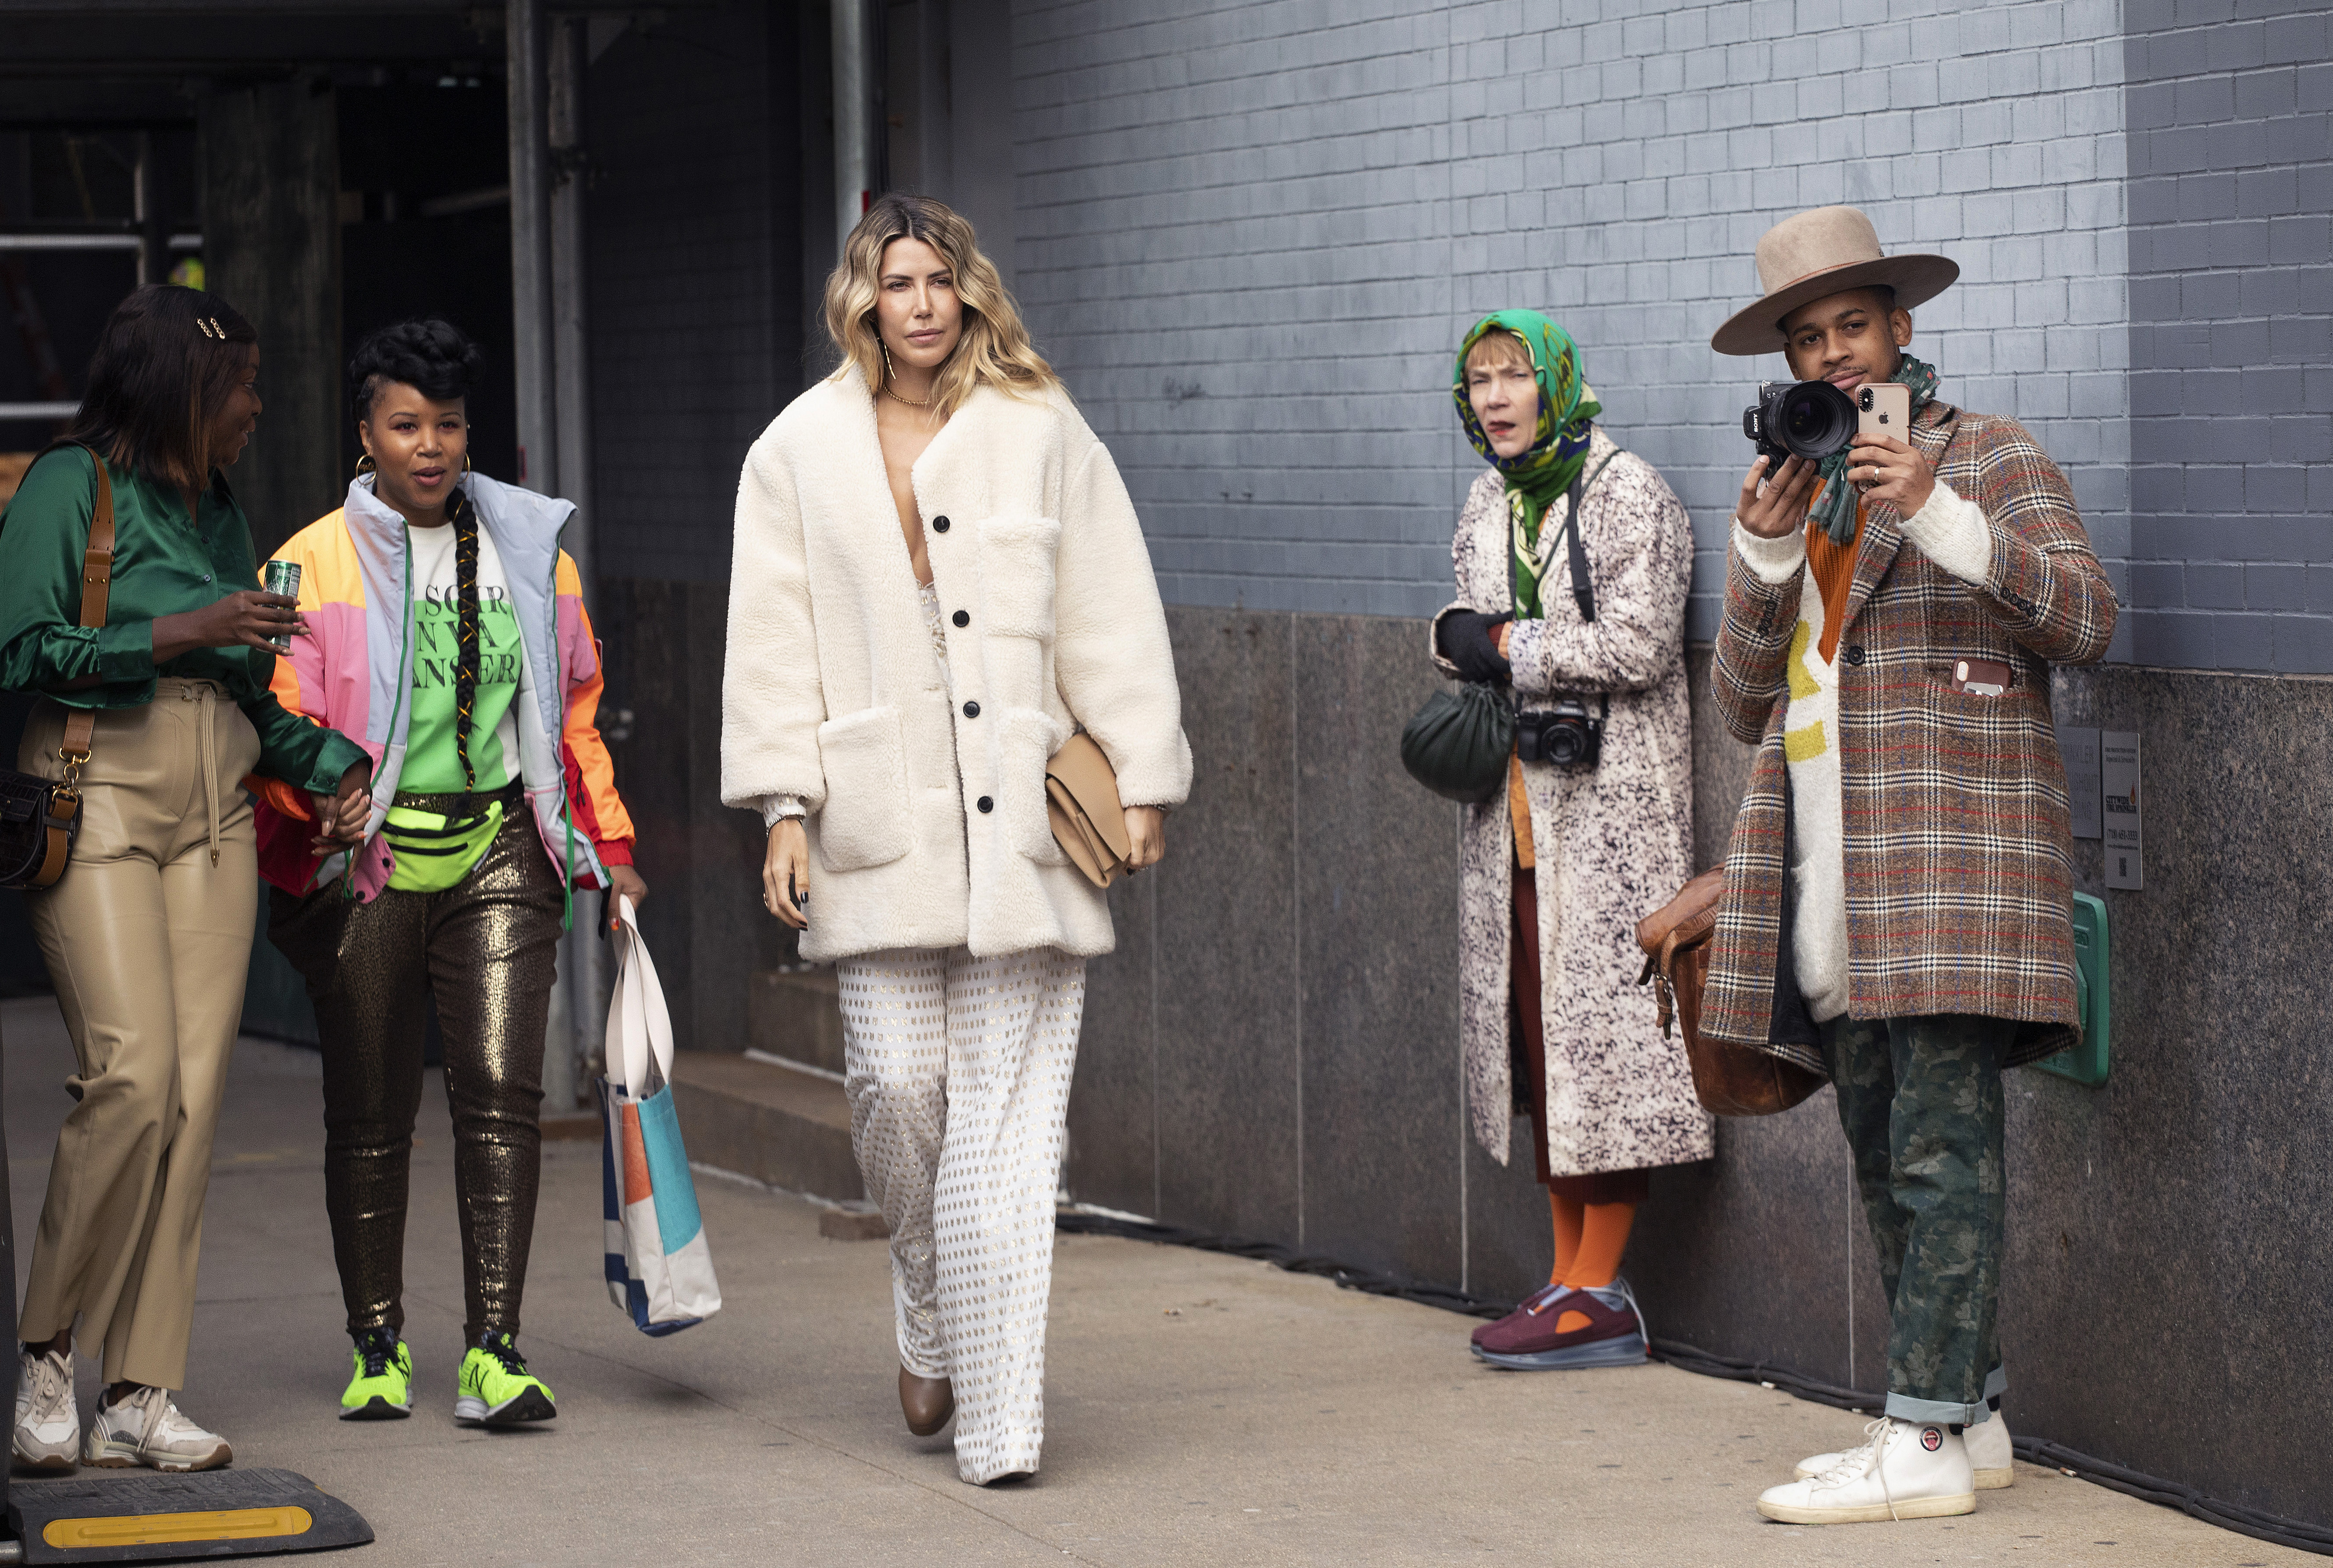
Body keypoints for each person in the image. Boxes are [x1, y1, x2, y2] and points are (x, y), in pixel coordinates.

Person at [722, 193, 1190, 1485]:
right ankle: (923, 1286)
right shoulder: (798, 447)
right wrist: (783, 810)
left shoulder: (1040, 426)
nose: (919, 304)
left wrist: (1141, 775)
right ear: (861, 299)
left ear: (968, 292)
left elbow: (1109, 596)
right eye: (896, 283)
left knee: (1008, 1131)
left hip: (1028, 819)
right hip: (877, 820)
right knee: (895, 1089)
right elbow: (771, 644)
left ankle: (1000, 1423)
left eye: (938, 281)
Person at [1699, 206, 2116, 1524]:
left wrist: (1936, 512)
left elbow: (2088, 619)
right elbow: (1738, 704)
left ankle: (1920, 1445)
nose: (1829, 357)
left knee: (1943, 1155)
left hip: (1947, 855)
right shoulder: (1798, 481)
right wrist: (1764, 553)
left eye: (1850, 328)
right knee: (1884, 1154)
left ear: (1901, 331)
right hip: (1825, 862)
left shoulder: (1985, 454)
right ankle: (1965, 1419)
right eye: (1805, 339)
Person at [0, 284, 372, 1473]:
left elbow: (247, 687)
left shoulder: (216, 505)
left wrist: (328, 763)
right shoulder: (72, 485)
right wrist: (175, 631)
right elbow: (21, 646)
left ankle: (142, 1390)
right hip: (97, 786)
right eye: (244, 387)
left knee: (195, 1102)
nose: (260, 407)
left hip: (213, 806)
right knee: (132, 1077)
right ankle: (50, 1353)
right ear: (184, 389)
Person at [258, 318, 643, 1429]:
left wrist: (607, 846)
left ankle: (494, 1352)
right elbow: (272, 714)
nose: (430, 446)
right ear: (366, 432)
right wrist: (314, 800)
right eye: (406, 425)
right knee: (369, 1112)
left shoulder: (534, 555)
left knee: (502, 1102)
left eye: (450, 425)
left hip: (500, 850)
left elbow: (570, 712)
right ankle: (376, 1345)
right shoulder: (306, 560)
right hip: (367, 859)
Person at [1428, 312, 1711, 1370]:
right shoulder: (1487, 497)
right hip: (1511, 816)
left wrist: (1502, 643)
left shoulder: (1626, 491)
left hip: (1608, 819)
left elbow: (1639, 644)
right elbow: (1458, 622)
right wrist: (1457, 640)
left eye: (1513, 376)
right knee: (1544, 1051)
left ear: (1555, 384)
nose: (1496, 396)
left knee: (1606, 1055)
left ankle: (1601, 1290)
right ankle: (1566, 1275)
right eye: (1479, 380)